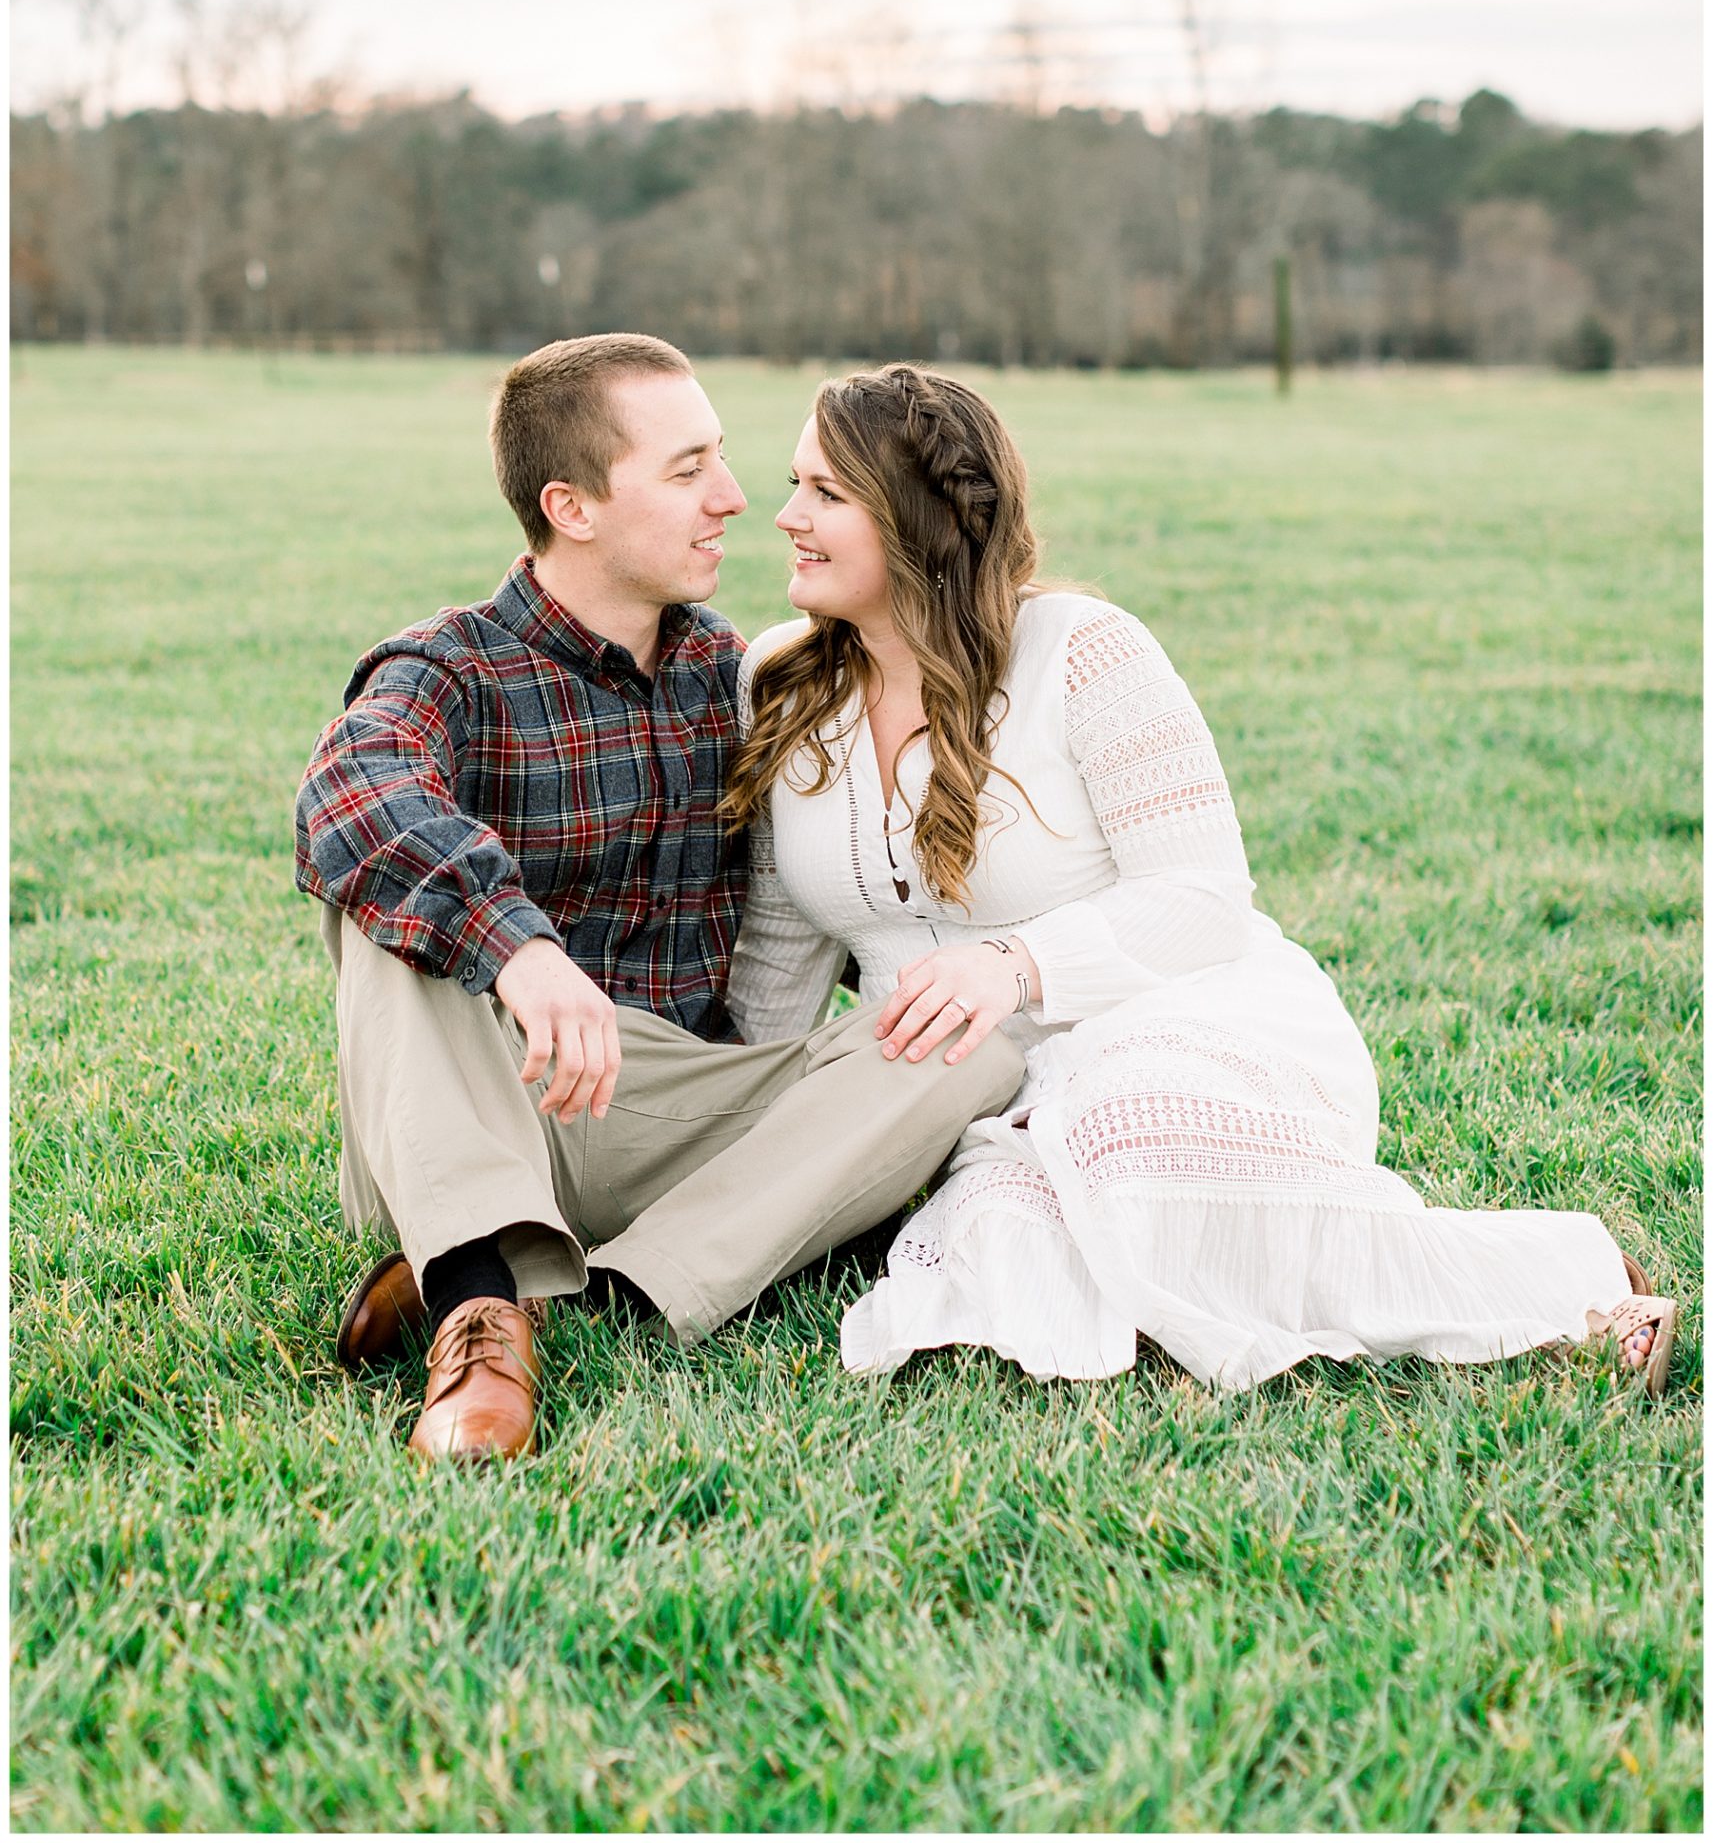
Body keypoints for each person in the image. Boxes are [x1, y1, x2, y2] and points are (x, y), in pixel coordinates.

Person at [720, 362, 1678, 1397]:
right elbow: (781, 947)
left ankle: (1571, 1287)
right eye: (792, 484)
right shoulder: (779, 679)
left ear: (917, 519)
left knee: (1122, 1151)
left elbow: (1203, 899)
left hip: (1180, 1020)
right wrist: (734, 1124)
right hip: (973, 1100)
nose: (785, 516)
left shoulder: (1083, 652)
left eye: (826, 493)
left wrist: (1018, 964)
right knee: (1009, 1250)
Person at [295, 333, 1024, 1463]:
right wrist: (522, 952)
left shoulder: (736, 676)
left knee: (972, 1044)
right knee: (385, 900)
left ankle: (608, 1290)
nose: (734, 500)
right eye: (688, 471)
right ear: (573, 506)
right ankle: (480, 1306)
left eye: (722, 462)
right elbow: (353, 792)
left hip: (667, 1109)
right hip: (484, 1090)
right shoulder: (449, 668)